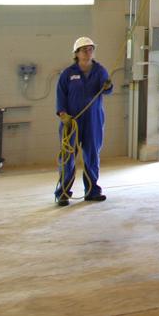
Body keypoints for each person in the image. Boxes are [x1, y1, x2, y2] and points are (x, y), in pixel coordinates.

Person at [55, 37, 113, 206]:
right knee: (67, 156)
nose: (88, 52)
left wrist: (108, 86)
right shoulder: (68, 73)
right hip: (71, 121)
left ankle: (92, 191)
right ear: (77, 53)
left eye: (90, 49)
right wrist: (62, 113)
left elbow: (107, 90)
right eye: (84, 49)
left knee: (92, 154)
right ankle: (63, 192)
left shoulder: (100, 71)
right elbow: (61, 94)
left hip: (93, 119)